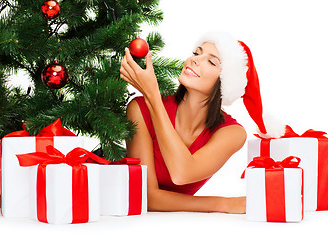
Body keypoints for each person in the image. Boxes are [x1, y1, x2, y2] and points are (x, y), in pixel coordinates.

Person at [119, 32, 284, 214]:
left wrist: (153, 97)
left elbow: (182, 173)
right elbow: (146, 197)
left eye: (212, 62)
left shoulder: (232, 133)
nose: (194, 60)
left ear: (225, 83)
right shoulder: (140, 109)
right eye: (197, 53)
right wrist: (223, 204)